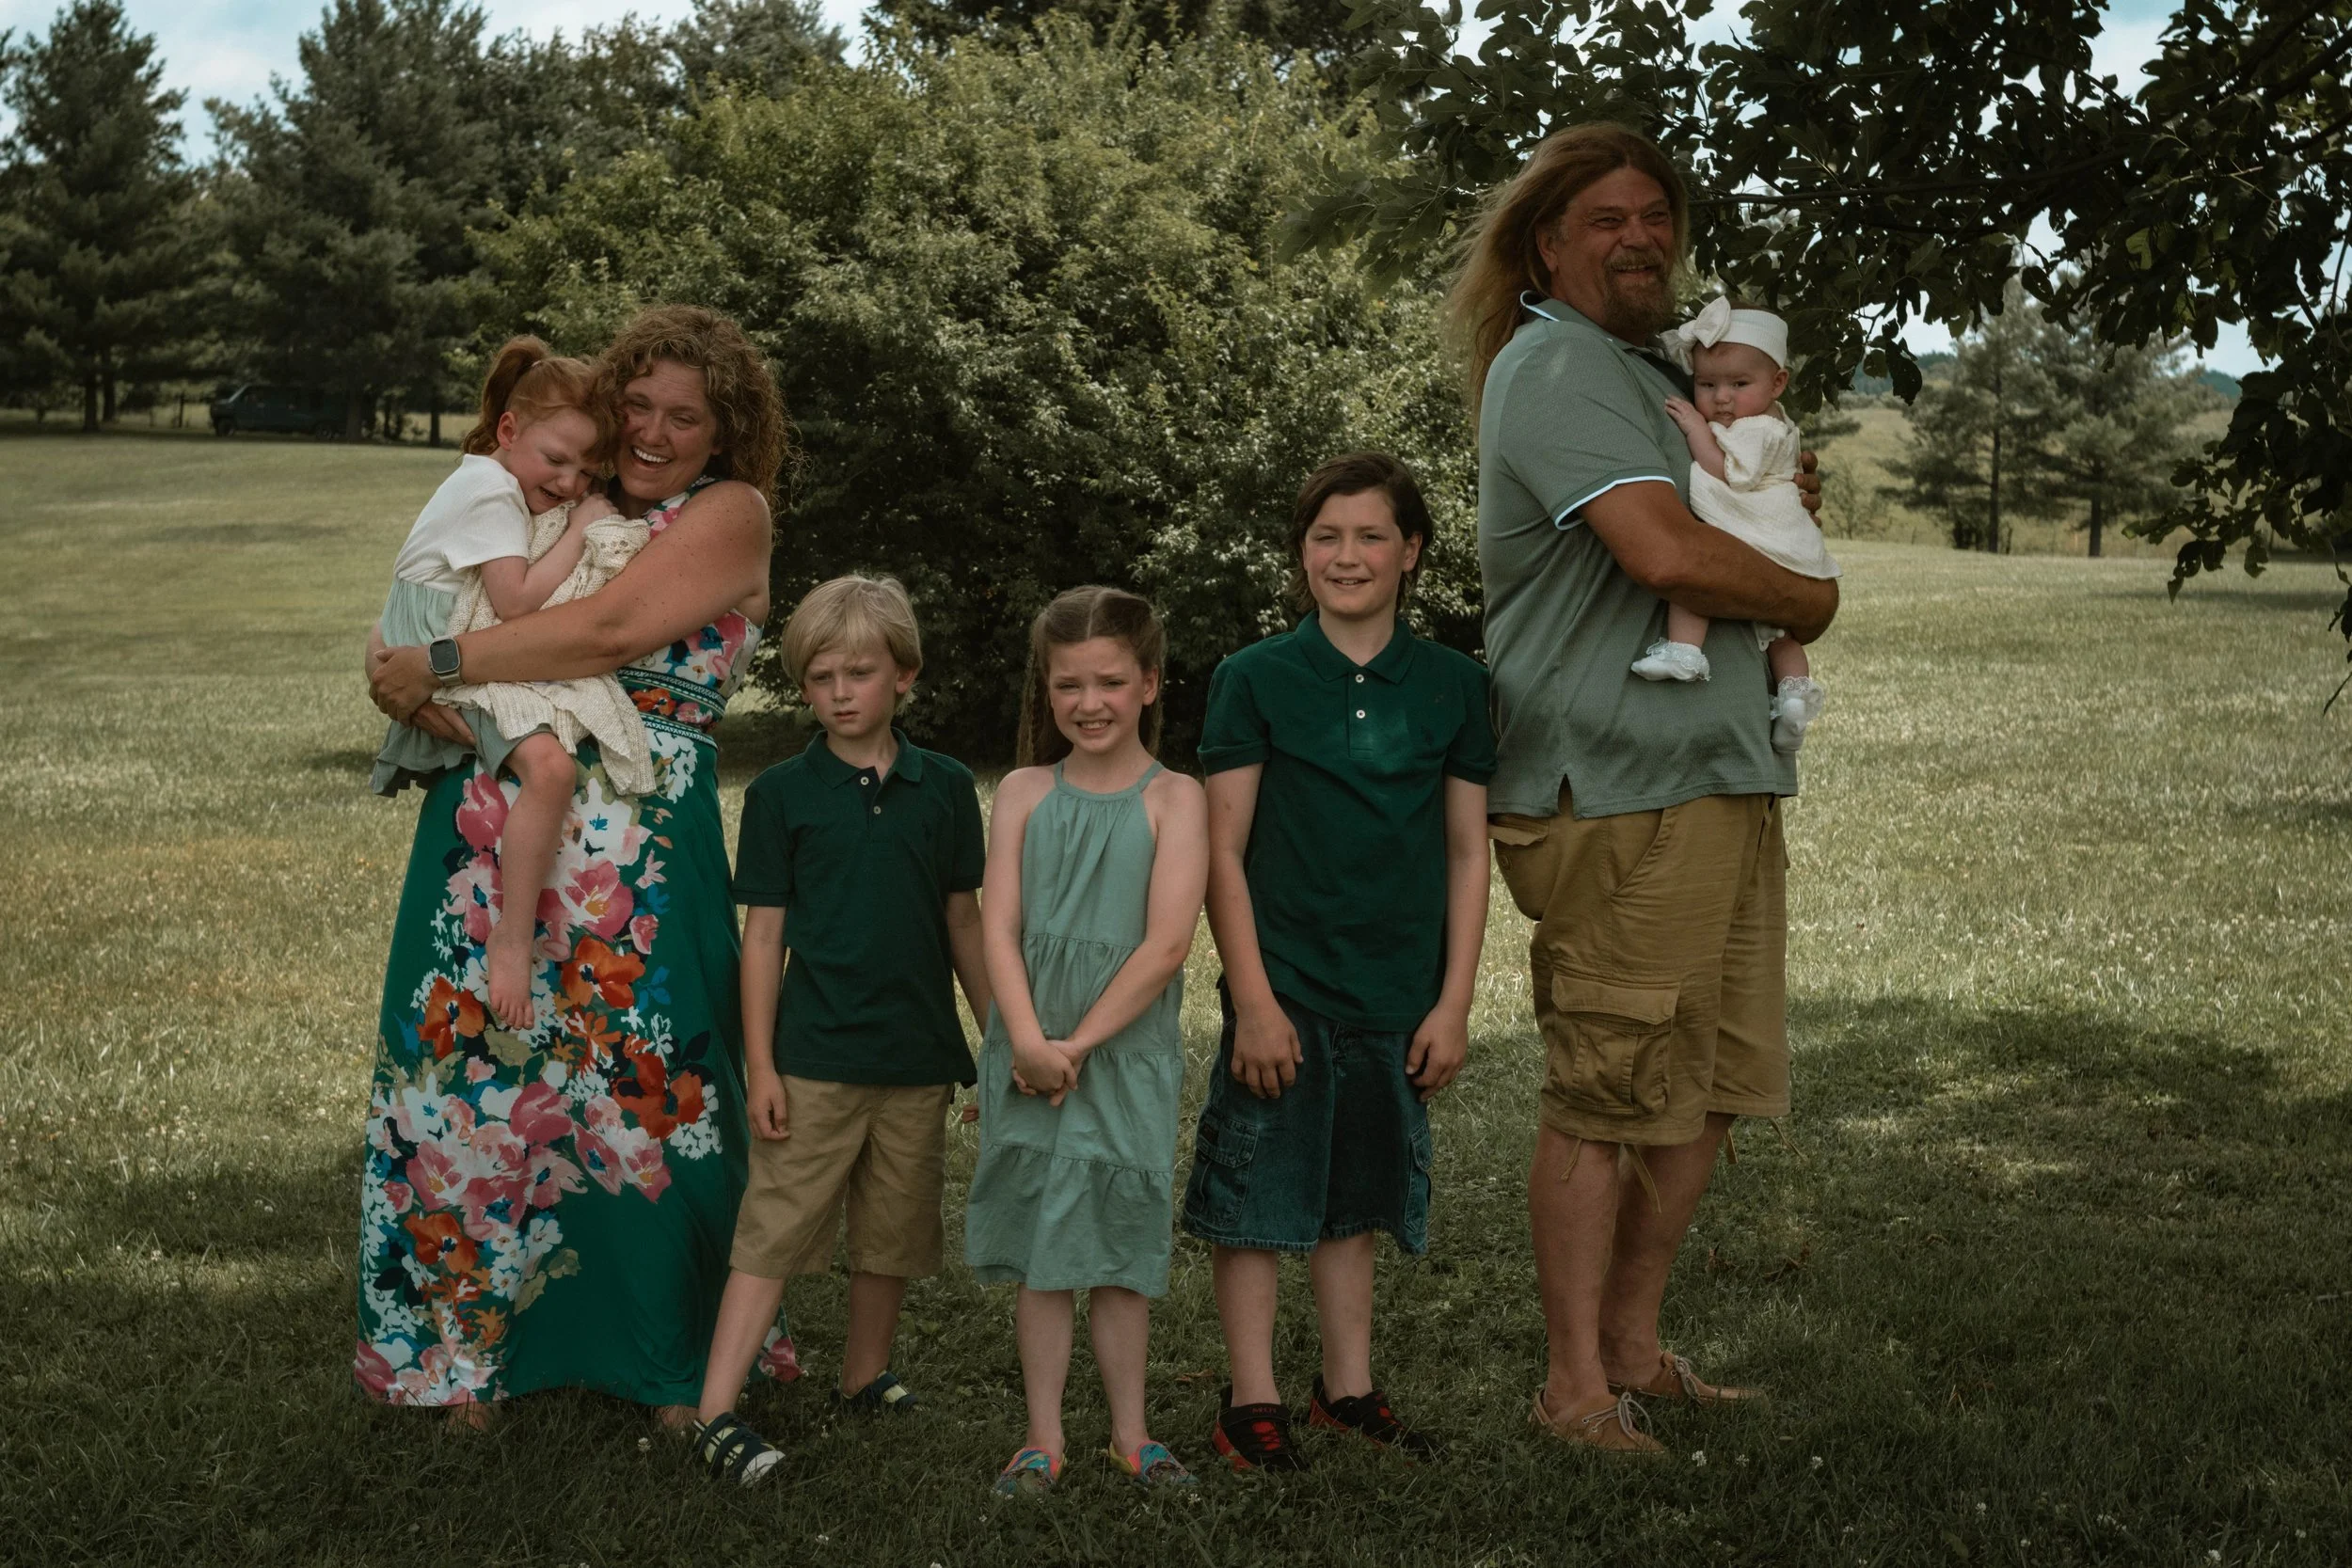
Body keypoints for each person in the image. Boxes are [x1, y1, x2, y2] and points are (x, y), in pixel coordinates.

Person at [1451, 122, 1837, 1454]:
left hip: (1720, 774)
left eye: (1655, 215)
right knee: (1610, 1088)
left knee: (1707, 1082)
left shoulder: (1648, 367)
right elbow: (1661, 545)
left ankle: (1633, 1347)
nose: (1638, 236)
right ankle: (1570, 1386)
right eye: (1604, 218)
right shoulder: (1554, 364)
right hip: (1612, 787)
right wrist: (1814, 595)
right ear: (1547, 245)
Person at [358, 305, 789, 1430]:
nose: (652, 432)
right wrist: (419, 687)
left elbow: (603, 635)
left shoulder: (729, 514)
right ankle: (471, 1361)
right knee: (473, 1090)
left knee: (652, 1098)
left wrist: (432, 663)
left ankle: (668, 1357)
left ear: (723, 429)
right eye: (635, 406)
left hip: (639, 852)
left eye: (682, 416)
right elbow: (446, 626)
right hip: (497, 833)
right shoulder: (538, 503)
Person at [1180, 453, 1495, 1470]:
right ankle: (1252, 1396)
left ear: (1410, 553)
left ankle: (1346, 1387)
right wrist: (1256, 1000)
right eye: (1325, 536)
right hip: (1286, 986)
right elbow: (1220, 849)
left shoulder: (1454, 685)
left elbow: (1464, 849)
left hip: (1398, 989)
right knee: (1260, 1189)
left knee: (1356, 1190)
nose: (1346, 555)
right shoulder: (1255, 677)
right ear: (1299, 553)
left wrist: (1452, 1002)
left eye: (1369, 536)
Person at [691, 576, 992, 1486]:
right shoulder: (782, 795)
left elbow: (964, 923)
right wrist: (763, 1061)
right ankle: (713, 1412)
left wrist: (1001, 1040)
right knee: (773, 1228)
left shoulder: (944, 789)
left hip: (915, 1058)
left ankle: (864, 1372)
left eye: (859, 672)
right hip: (814, 1056)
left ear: (904, 675)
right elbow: (764, 937)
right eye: (820, 675)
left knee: (894, 1227)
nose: (839, 691)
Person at [962, 586, 1209, 1497]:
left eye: (1110, 680)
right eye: (1069, 684)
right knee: (1040, 1246)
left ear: (1148, 682)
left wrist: (1074, 1044)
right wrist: (1027, 1037)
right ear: (1048, 688)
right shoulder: (1025, 791)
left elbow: (1167, 942)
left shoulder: (1175, 798)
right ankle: (1041, 1434)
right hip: (1026, 1047)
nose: (1090, 701)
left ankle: (1131, 1431)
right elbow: (999, 925)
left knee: (1114, 1243)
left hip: (1119, 1054)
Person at [370, 337, 659, 1031]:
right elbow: (516, 605)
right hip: (440, 658)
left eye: (586, 474)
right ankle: (512, 935)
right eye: (555, 461)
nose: (567, 483)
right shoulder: (493, 494)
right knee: (552, 771)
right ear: (508, 430)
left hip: (428, 645)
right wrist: (585, 526)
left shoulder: (480, 478)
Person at [1629, 298, 1837, 753]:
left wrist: (1694, 429)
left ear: (1777, 382)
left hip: (1751, 525)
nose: (1721, 398)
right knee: (1782, 635)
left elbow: (1728, 472)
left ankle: (1685, 652)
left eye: (1738, 384)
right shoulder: (1768, 418)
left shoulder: (1754, 429)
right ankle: (1794, 699)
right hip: (1781, 538)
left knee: (1699, 580)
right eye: (1706, 384)